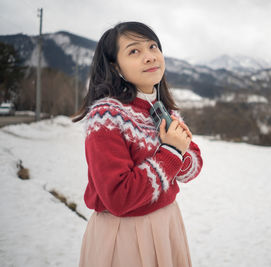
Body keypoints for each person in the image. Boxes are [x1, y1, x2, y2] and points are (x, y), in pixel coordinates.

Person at [72, 21, 203, 267]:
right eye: (134, 51)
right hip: (125, 235)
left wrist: (178, 151)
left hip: (168, 226)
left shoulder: (163, 110)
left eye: (153, 47)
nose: (149, 57)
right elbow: (119, 197)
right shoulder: (107, 116)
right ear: (115, 66)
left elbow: (193, 166)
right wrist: (172, 151)